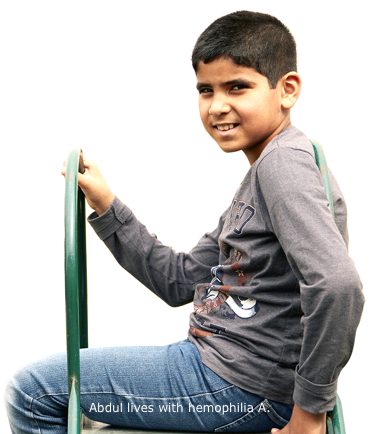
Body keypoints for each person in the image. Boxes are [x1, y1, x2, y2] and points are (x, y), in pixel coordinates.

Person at [5, 10, 364, 434]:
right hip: (223, 371)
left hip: (237, 385)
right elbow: (181, 279)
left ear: (287, 90)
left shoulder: (283, 163)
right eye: (205, 90)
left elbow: (338, 285)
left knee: (33, 392)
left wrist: (309, 415)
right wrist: (106, 205)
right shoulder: (265, 173)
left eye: (237, 87)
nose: (217, 106)